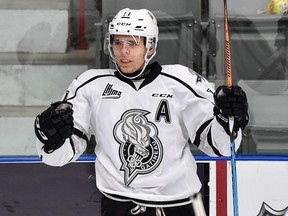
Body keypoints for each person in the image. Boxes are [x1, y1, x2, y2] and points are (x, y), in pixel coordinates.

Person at [34, 8, 249, 216]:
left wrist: (228, 118)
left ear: (151, 47)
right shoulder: (90, 85)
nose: (124, 51)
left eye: (133, 43)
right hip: (118, 203)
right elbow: (61, 155)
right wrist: (51, 138)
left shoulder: (183, 82)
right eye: (118, 42)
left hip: (181, 202)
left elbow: (219, 148)